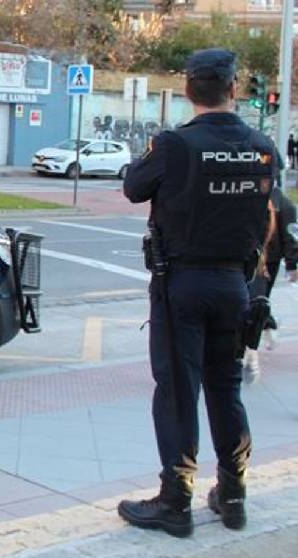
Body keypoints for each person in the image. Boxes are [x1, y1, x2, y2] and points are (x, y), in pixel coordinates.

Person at [119, 48, 277, 538]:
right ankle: (232, 494)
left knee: (177, 392)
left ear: (188, 90)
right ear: (233, 89)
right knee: (226, 389)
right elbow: (266, 216)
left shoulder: (176, 144)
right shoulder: (262, 146)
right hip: (235, 285)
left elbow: (133, 187)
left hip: (182, 286)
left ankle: (176, 501)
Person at [243, 181, 298, 381]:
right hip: (250, 259)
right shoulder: (250, 195)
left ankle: (251, 353)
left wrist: (292, 264)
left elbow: (290, 236)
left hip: (266, 262)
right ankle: (266, 326)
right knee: (254, 301)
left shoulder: (282, 203)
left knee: (257, 301)